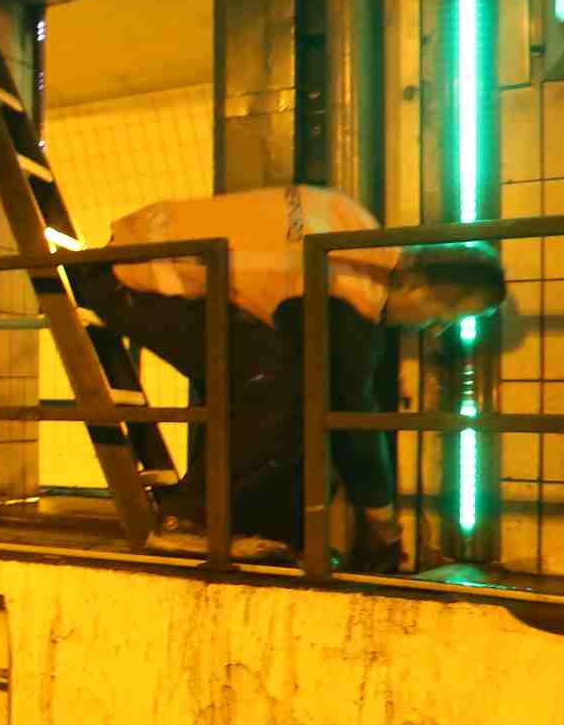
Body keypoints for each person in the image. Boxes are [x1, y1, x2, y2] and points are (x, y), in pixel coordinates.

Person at [96, 186, 505, 569]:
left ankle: (257, 530)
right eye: (444, 315)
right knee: (283, 386)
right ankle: (186, 521)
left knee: (281, 381)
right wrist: (382, 520)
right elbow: (351, 417)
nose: (435, 329)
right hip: (131, 280)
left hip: (135, 248)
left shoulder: (357, 227)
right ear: (417, 287)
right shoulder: (348, 295)